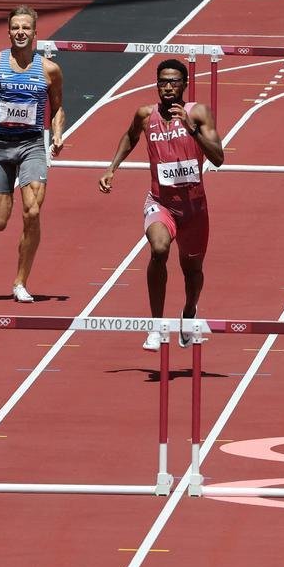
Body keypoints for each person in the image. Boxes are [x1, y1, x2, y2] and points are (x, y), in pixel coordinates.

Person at [98, 59, 224, 350]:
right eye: (163, 82)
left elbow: (218, 157)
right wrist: (111, 168)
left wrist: (192, 130)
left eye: (174, 82)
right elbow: (130, 137)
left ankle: (189, 312)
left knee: (193, 271)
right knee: (159, 249)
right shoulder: (145, 115)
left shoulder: (199, 113)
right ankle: (155, 326)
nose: (168, 87)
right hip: (161, 202)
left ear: (184, 85)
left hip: (194, 208)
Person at [0, 5, 66, 302]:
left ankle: (20, 281)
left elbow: (57, 107)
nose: (21, 32)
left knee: (32, 211)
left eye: (26, 28)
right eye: (15, 28)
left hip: (32, 145)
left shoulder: (49, 69)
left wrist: (57, 133)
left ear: (35, 33)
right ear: (9, 32)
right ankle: (13, 214)